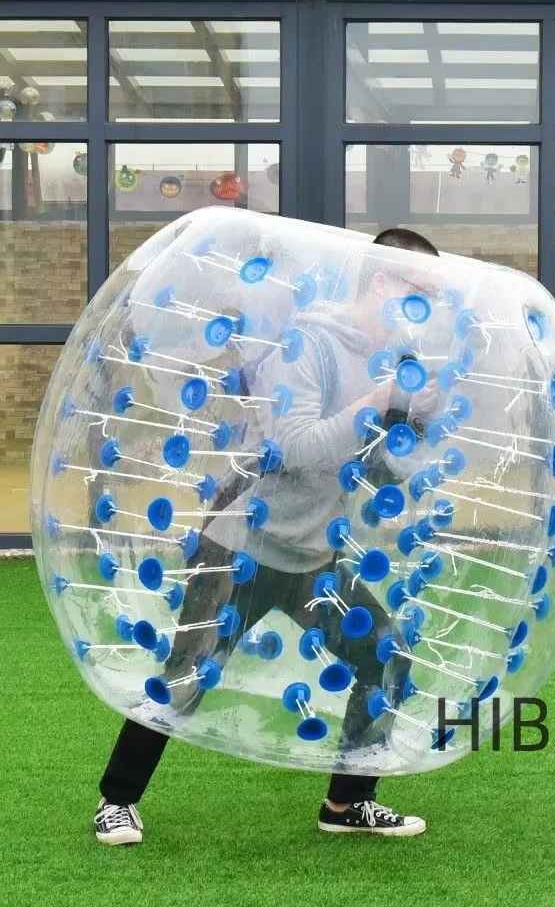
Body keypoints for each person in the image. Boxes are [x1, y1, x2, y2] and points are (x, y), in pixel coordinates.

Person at [94, 228, 443, 845]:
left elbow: (372, 468)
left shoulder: (391, 366)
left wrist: (409, 423)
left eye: (432, 298)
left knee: (384, 653)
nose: (423, 308)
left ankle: (346, 803)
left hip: (312, 555)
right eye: (417, 290)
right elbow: (297, 446)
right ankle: (116, 801)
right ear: (382, 281)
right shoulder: (307, 343)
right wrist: (378, 399)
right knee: (189, 674)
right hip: (242, 546)